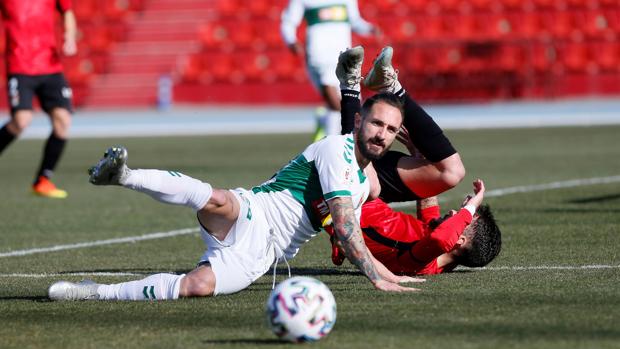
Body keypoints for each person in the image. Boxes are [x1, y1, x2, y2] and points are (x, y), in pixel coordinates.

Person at [47, 50, 426, 301]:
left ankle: (95, 292)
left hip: (261, 257)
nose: (382, 134)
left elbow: (353, 235)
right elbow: (343, 226)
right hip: (254, 212)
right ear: (359, 120)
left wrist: (391, 274)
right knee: (219, 200)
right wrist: (376, 279)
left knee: (196, 286)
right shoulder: (335, 149)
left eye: (390, 130)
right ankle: (124, 175)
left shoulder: (362, 183)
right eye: (377, 123)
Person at [327, 179, 502, 275]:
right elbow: (428, 204)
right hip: (358, 196)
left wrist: (469, 209)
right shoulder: (432, 251)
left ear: (458, 241)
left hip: (342, 201)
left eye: (462, 221)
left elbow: (440, 239)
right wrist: (419, 154)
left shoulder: (424, 262)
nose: (453, 212)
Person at [0, 0, 77, 198]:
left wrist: (69, 35)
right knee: (21, 121)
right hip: (20, 65)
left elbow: (67, 11)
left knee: (63, 120)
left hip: (50, 66)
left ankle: (43, 180)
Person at [281, 0, 380, 141]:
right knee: (337, 103)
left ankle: (328, 127)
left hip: (344, 55)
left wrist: (369, 28)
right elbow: (288, 22)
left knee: (352, 107)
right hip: (319, 55)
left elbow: (355, 21)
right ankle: (339, 142)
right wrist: (290, 40)